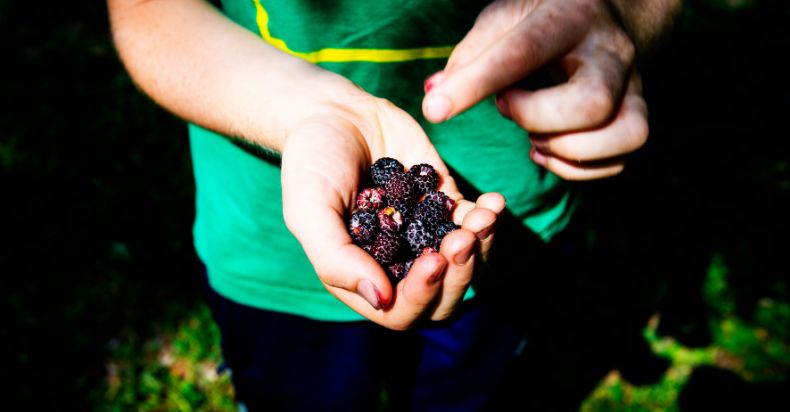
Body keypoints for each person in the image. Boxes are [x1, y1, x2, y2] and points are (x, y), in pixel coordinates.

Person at [107, 0, 681, 410]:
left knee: (466, 391)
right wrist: (307, 112)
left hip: (511, 237)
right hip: (268, 252)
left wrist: (619, 16)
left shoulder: (409, 210)